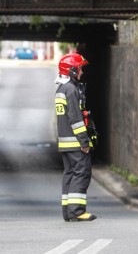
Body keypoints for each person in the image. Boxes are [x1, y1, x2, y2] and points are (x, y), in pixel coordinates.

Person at [55, 53, 97, 222]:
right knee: (81, 173)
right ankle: (77, 211)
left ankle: (68, 212)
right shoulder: (71, 90)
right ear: (71, 70)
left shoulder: (61, 89)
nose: (81, 72)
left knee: (70, 174)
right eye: (79, 68)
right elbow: (75, 118)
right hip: (74, 142)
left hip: (65, 142)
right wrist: (84, 141)